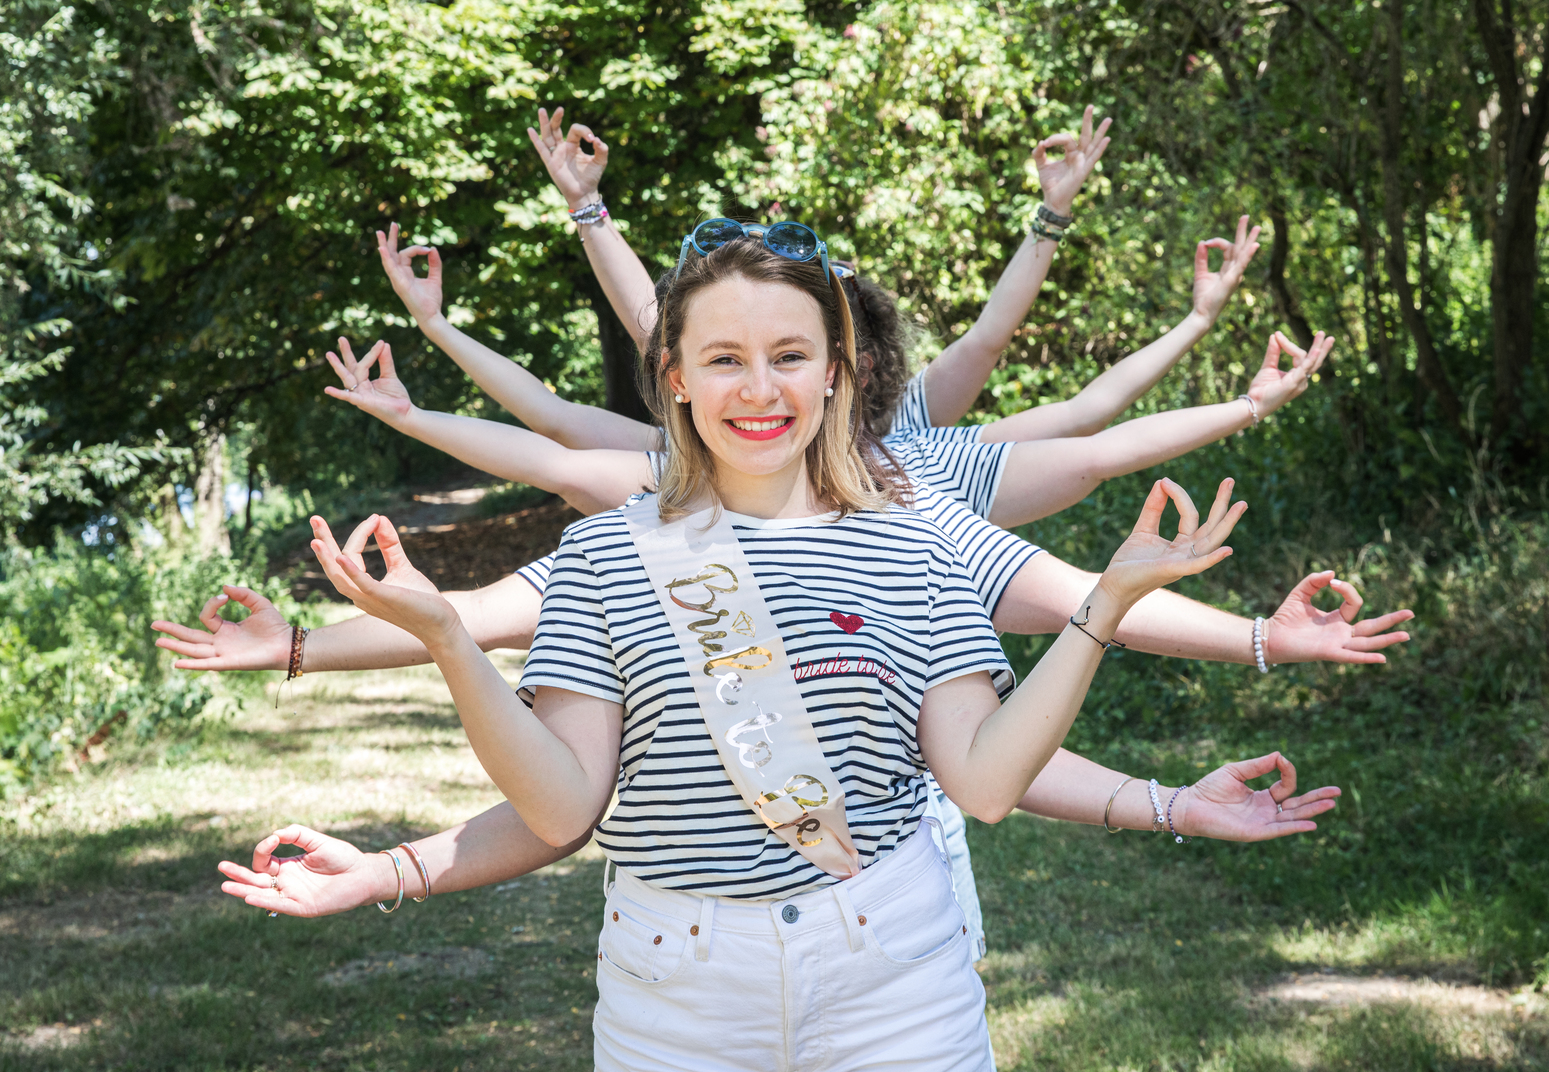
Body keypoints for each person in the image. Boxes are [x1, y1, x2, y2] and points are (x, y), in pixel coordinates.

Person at [217, 233, 1338, 1070]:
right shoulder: (611, 552)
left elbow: (986, 781)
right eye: (724, 361)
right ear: (676, 379)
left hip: (897, 973)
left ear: (837, 368)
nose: (759, 389)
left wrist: (1119, 612)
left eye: (790, 355)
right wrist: (441, 649)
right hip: (676, 993)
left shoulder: (923, 526)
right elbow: (561, 809)